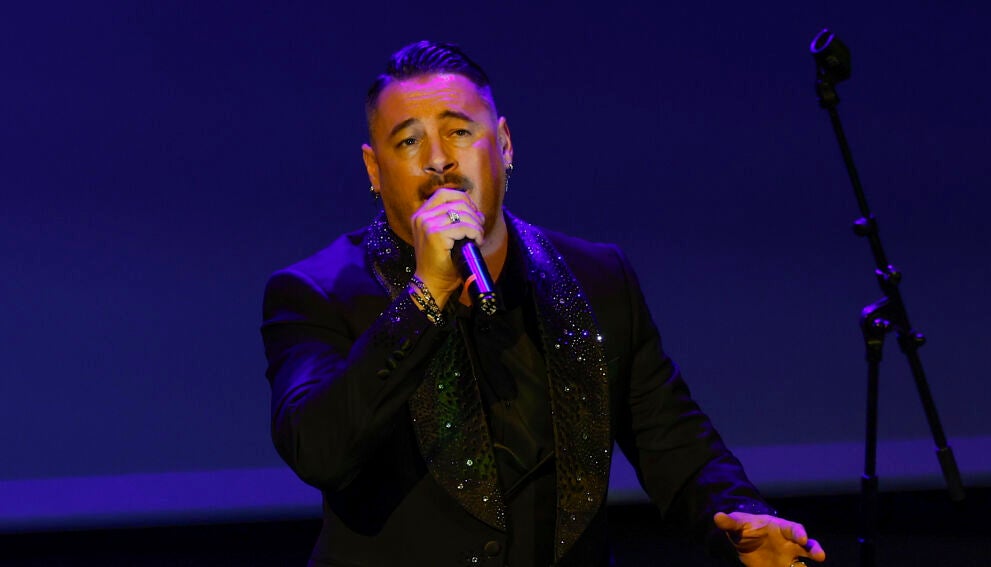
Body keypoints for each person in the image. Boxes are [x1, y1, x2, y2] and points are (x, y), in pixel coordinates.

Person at [261, 40, 826, 567]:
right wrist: (425, 295)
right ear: (374, 169)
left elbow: (675, 444)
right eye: (408, 142)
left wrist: (744, 520)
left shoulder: (598, 278)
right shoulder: (316, 291)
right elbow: (319, 451)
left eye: (458, 132)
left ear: (504, 144)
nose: (438, 160)